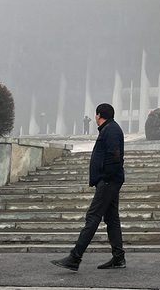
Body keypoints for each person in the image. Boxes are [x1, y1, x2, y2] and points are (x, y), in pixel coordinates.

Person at [51, 103, 125, 271]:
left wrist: (105, 177)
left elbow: (114, 156)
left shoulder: (111, 130)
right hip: (110, 180)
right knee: (111, 218)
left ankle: (75, 257)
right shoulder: (109, 129)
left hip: (108, 181)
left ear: (99, 115)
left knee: (93, 216)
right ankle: (118, 258)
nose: (95, 117)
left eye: (95, 115)